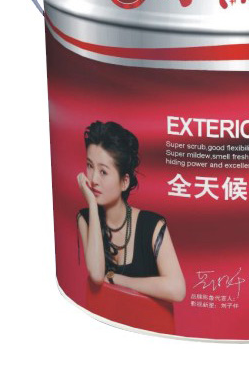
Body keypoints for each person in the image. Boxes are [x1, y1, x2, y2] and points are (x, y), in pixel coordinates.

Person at [76, 121, 186, 302]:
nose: (93, 179)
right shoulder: (86, 218)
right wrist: (92, 205)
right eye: (89, 166)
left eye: (103, 172)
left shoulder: (152, 225)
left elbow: (177, 290)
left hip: (147, 320)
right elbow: (96, 275)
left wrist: (116, 279)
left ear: (124, 182)